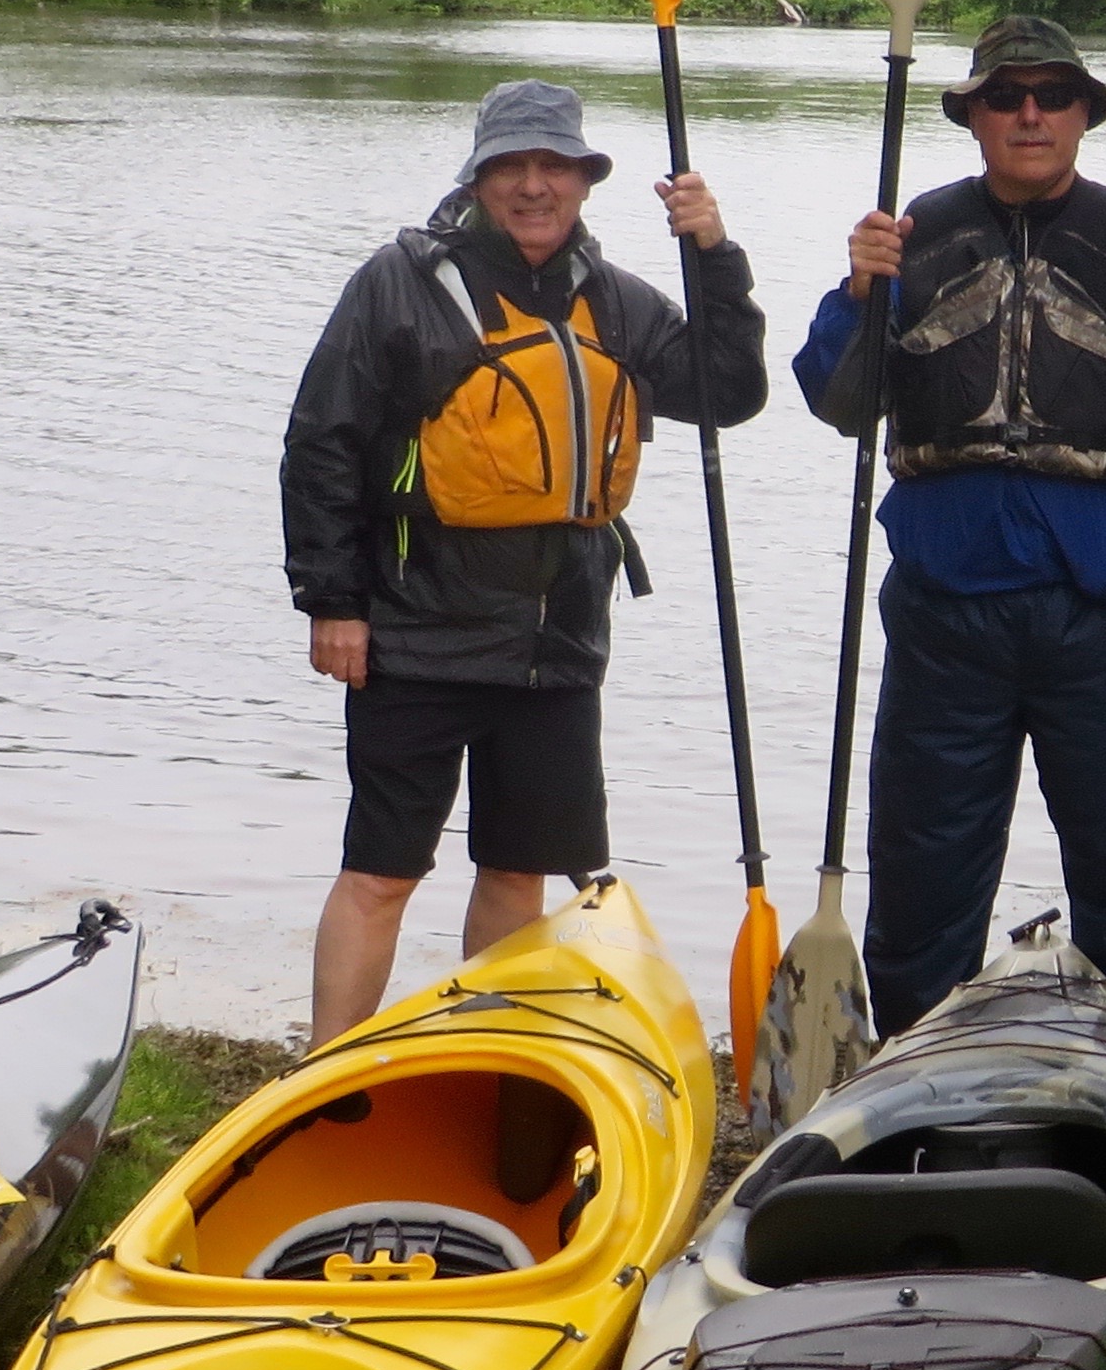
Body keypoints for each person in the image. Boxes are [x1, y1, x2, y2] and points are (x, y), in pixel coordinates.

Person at [284, 78, 767, 1048]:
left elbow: (728, 390)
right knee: (382, 871)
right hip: (415, 635)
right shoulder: (401, 284)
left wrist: (713, 255)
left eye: (556, 167)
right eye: (514, 167)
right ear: (479, 178)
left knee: (518, 870)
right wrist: (332, 601)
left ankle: (478, 1058)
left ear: (586, 181)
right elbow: (322, 442)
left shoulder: (618, 301)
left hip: (555, 644)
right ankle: (323, 1072)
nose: (535, 187)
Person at [797, 15, 1106, 1047]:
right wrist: (859, 292)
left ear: (1082, 114)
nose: (1029, 113)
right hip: (947, 607)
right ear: (975, 117)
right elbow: (838, 400)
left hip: (1098, 612)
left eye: (1051, 95)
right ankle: (913, 1063)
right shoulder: (906, 240)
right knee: (924, 863)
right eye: (1006, 96)